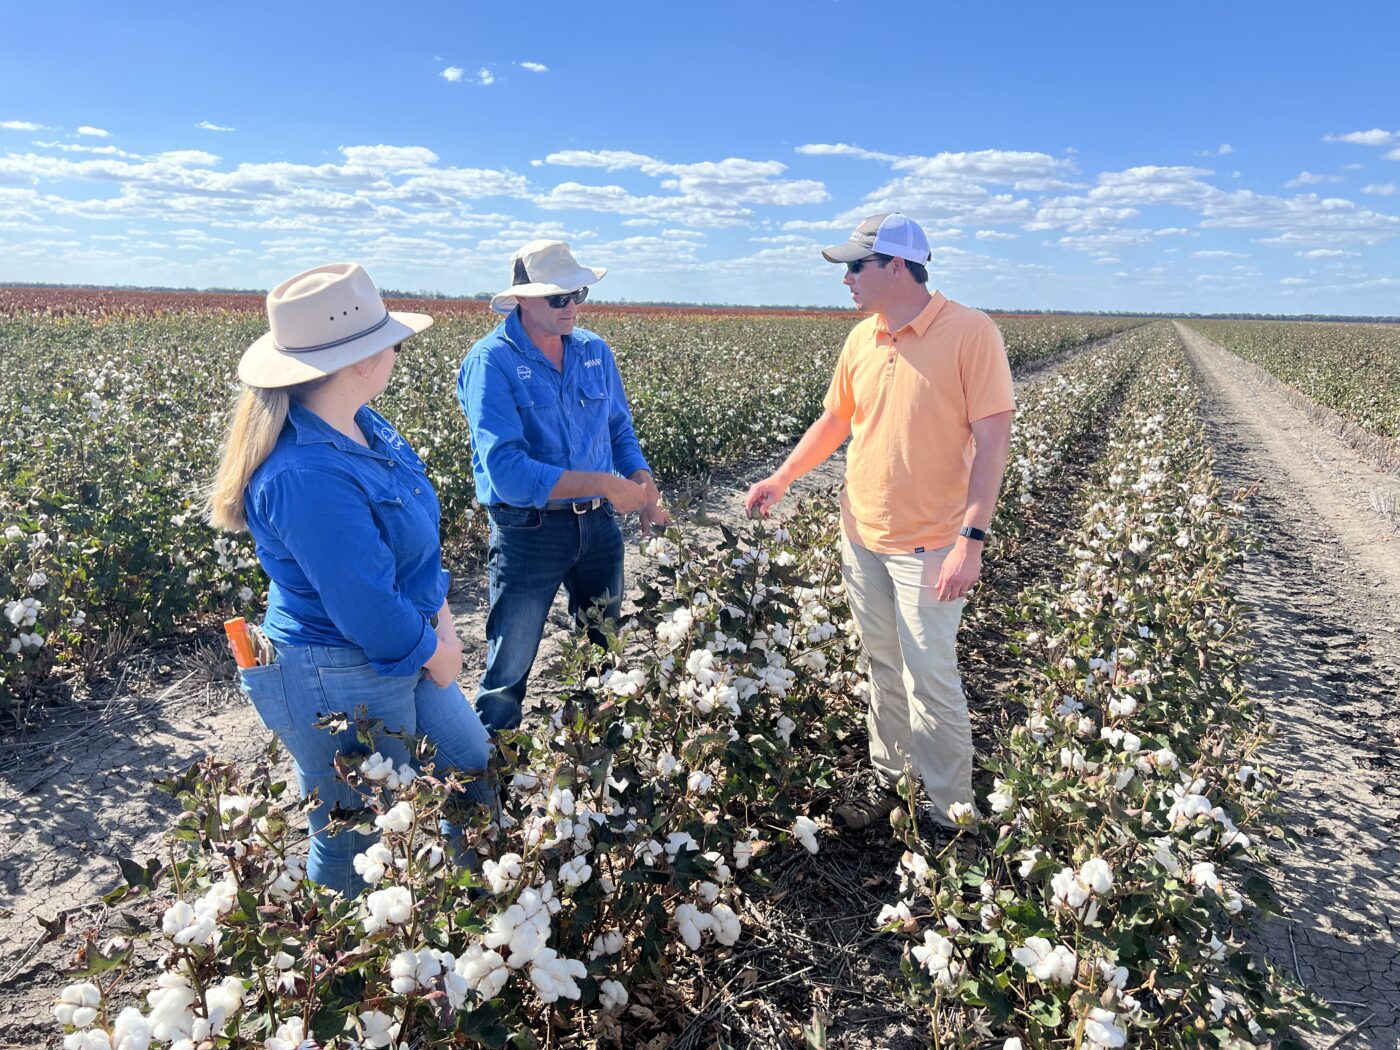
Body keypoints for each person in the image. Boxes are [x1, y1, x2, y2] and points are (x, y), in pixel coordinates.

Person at [207, 262, 492, 896]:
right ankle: (340, 972)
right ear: (362, 360)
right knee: (351, 831)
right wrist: (438, 655)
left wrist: (440, 616)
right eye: (389, 342)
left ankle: (482, 913)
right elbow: (367, 609)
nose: (396, 352)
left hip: (401, 644)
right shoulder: (304, 474)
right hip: (333, 670)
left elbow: (415, 543)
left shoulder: (366, 425)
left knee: (470, 765)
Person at [745, 213, 1015, 832]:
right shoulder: (863, 338)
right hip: (862, 534)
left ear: (897, 266)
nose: (845, 279)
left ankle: (952, 817)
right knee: (882, 667)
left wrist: (971, 540)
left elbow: (992, 442)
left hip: (933, 542)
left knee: (932, 678)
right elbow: (837, 421)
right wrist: (782, 477)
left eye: (855, 266)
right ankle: (888, 786)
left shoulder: (971, 333)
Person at [457, 240, 668, 734]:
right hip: (528, 532)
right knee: (508, 671)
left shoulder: (594, 351)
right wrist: (602, 482)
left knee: (603, 651)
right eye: (558, 298)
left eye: (577, 294)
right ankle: (491, 790)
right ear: (522, 300)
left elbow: (619, 431)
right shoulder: (491, 362)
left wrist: (643, 487)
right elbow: (507, 471)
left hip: (598, 527)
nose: (571, 306)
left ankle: (592, 773)